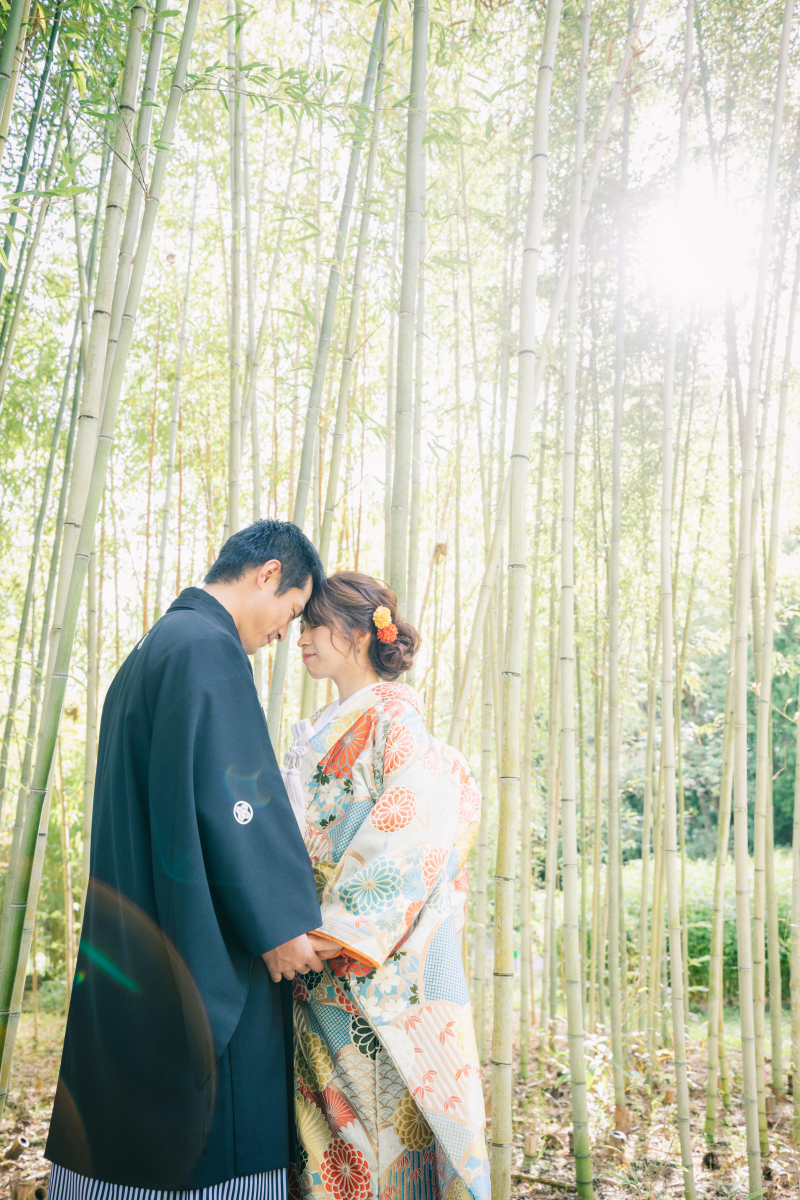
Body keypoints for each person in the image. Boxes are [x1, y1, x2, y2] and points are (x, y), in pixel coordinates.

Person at [46, 520, 329, 1200]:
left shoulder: (151, 650)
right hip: (198, 949)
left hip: (143, 931)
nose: (285, 633)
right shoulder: (209, 648)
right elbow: (234, 796)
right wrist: (279, 922)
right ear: (267, 573)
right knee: (216, 1119)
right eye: (291, 611)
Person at [287, 572, 489, 1200]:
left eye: (312, 624)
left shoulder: (394, 723)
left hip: (356, 959)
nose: (300, 638)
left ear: (351, 634)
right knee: (323, 1138)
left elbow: (416, 830)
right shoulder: (324, 724)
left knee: (368, 1141)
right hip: (309, 954)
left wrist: (332, 929)